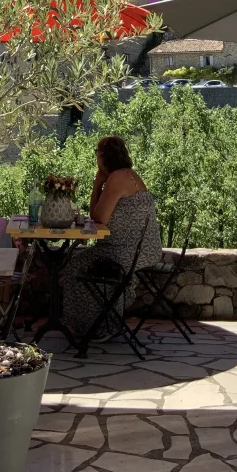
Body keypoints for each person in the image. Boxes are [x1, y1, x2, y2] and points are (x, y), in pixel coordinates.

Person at [62, 135, 162, 338]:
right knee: (85, 262)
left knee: (76, 264)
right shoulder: (131, 175)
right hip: (146, 249)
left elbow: (98, 217)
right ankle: (104, 322)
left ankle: (96, 326)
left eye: (97, 153)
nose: (96, 158)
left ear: (104, 157)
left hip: (125, 252)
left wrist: (97, 185)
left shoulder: (116, 178)